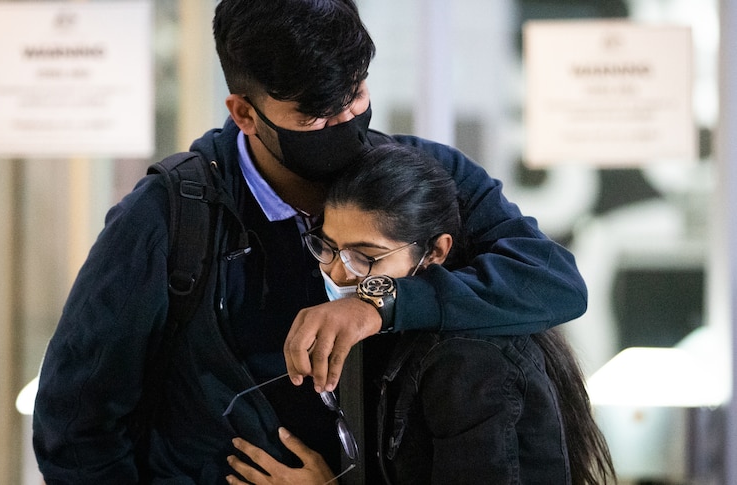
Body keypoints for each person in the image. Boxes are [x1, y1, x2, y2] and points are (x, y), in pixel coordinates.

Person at [32, 0, 589, 483]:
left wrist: (382, 303)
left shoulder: (422, 174)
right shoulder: (170, 216)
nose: (346, 119)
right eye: (315, 115)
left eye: (355, 94)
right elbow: (77, 420)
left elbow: (553, 281)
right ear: (245, 113)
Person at [226, 144, 615, 484]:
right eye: (327, 247)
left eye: (365, 257)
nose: (339, 272)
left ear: (436, 252)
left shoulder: (469, 363)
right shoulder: (408, 344)